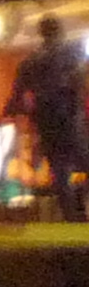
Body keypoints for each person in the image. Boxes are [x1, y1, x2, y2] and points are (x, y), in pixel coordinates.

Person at [9, 16, 89, 218]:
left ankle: (72, 216)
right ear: (60, 30)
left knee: (60, 172)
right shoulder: (73, 51)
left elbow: (17, 95)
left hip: (47, 121)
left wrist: (23, 113)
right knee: (84, 159)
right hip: (70, 117)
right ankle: (81, 204)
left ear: (41, 33)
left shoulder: (30, 61)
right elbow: (80, 77)